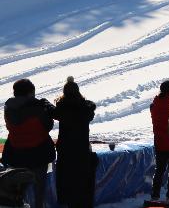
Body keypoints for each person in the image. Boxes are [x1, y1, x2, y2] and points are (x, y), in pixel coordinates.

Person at [2, 79, 55, 208]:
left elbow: (10, 127)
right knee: (39, 190)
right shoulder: (39, 107)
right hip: (39, 153)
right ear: (30, 93)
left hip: (16, 154)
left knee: (18, 190)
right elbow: (48, 126)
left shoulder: (9, 108)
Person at [54, 77, 98, 208]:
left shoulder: (61, 109)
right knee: (82, 183)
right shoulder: (86, 109)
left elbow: (53, 110)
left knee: (67, 182)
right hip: (81, 150)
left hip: (65, 151)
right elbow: (90, 103)